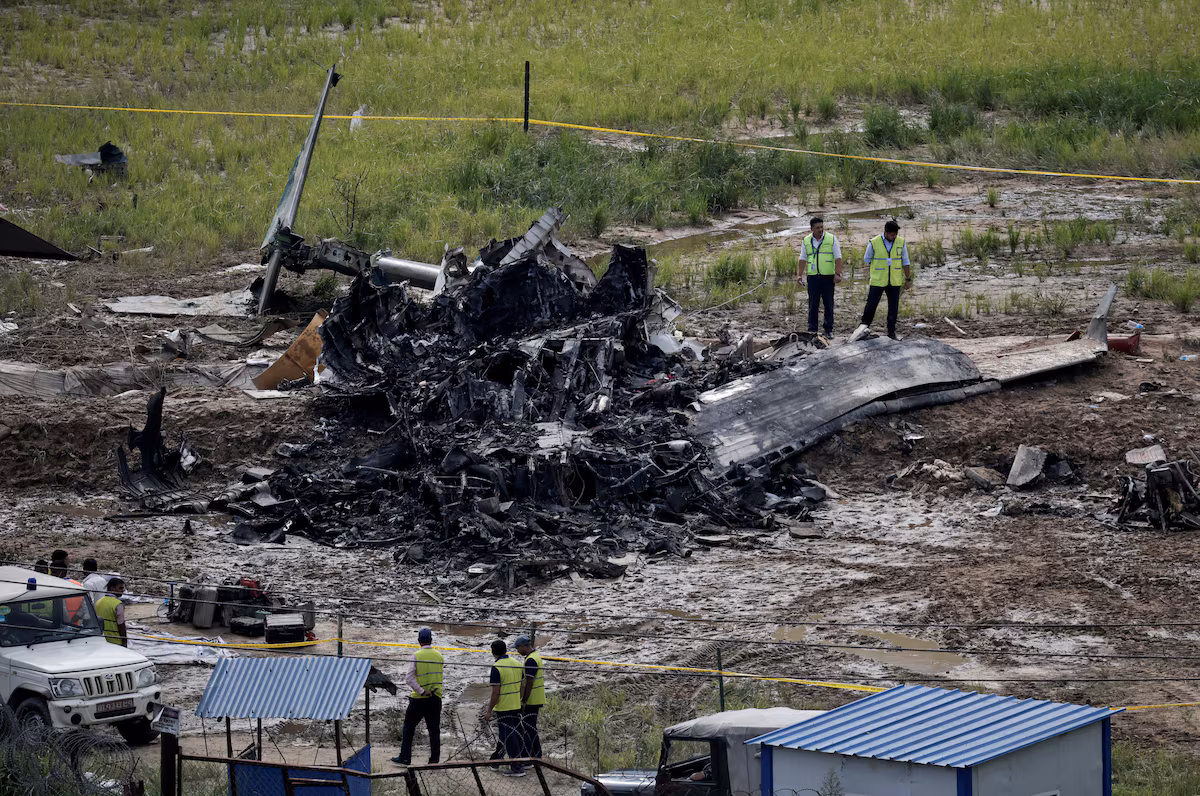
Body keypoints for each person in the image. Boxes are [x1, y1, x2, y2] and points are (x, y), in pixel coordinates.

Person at [391, 628, 444, 766]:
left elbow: (409, 678)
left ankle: (405, 757)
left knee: (409, 728)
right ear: (431, 640)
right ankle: (434, 760)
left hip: (419, 699)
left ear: (419, 641)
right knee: (434, 730)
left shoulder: (416, 655)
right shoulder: (439, 656)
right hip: (436, 697)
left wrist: (421, 691)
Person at [860, 219, 912, 340]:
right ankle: (862, 329)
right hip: (878, 281)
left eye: (895, 234)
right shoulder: (874, 242)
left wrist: (908, 279)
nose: (894, 237)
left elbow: (906, 261)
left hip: (894, 281)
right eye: (892, 234)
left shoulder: (901, 242)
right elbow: (867, 260)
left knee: (893, 308)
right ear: (885, 232)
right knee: (871, 306)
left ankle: (891, 332)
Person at [483, 639, 526, 777]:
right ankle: (496, 760)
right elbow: (523, 686)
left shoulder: (497, 667)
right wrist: (519, 699)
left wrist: (489, 710)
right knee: (506, 735)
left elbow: (496, 692)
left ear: (493, 652)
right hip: (516, 705)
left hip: (504, 708)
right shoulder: (517, 664)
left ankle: (517, 767)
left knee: (509, 737)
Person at [797, 216, 843, 338]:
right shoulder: (806, 240)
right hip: (813, 278)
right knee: (813, 305)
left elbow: (838, 258)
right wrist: (799, 275)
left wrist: (838, 274)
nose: (820, 229)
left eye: (822, 227)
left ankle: (828, 330)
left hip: (828, 277)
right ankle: (812, 330)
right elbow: (802, 258)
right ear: (811, 228)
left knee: (828, 304)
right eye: (817, 228)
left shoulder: (831, 239)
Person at [514, 636, 544, 760]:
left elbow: (529, 682)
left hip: (532, 700)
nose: (517, 651)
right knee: (531, 728)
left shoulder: (531, 660)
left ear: (523, 646)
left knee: (528, 729)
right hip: (536, 698)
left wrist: (524, 700)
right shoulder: (535, 656)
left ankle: (530, 756)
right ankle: (536, 755)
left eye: (517, 648)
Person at [95, 578, 127, 646]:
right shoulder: (118, 604)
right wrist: (124, 641)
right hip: (116, 640)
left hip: (102, 640)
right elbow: (121, 624)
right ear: (112, 588)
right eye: (120, 588)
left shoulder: (98, 602)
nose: (122, 591)